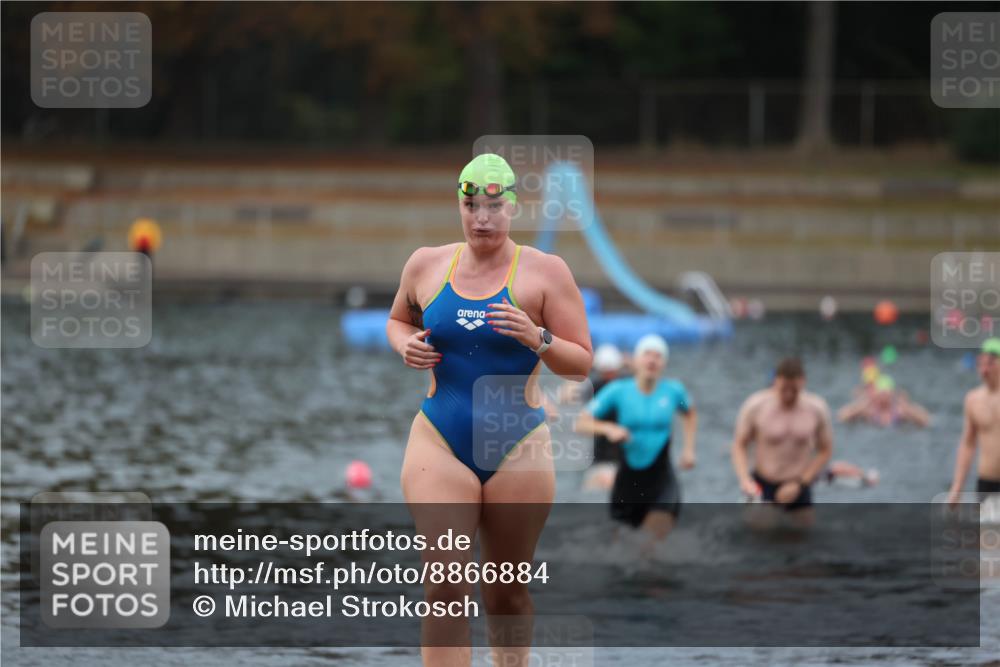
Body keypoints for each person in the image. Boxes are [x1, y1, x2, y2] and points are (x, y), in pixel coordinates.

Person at [386, 153, 592, 667]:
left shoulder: (546, 272)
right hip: (440, 439)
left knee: (504, 595)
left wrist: (538, 337)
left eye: (493, 206)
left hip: (518, 446)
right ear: (459, 204)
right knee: (445, 585)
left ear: (512, 208)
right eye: (470, 204)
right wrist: (404, 344)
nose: (481, 217)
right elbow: (397, 320)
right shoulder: (426, 264)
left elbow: (581, 364)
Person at [575, 334, 697, 547]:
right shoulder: (618, 391)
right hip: (626, 484)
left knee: (650, 544)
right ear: (636, 360)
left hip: (662, 483)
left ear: (664, 363)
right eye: (647, 354)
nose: (652, 360)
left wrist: (689, 449)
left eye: (658, 356)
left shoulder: (673, 391)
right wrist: (608, 428)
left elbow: (690, 413)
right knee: (622, 550)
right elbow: (580, 423)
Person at [731, 357, 833, 526]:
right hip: (764, 483)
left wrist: (800, 484)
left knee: (803, 540)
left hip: (799, 483)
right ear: (775, 381)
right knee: (763, 536)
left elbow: (825, 449)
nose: (788, 395)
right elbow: (739, 445)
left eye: (794, 390)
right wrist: (744, 480)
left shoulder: (816, 408)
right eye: (784, 389)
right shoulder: (756, 405)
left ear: (803, 382)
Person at [947, 338, 1000, 506]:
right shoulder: (973, 399)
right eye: (981, 363)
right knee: (988, 532)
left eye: (991, 363)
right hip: (987, 483)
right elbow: (968, 444)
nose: (985, 369)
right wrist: (957, 486)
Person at [578, 343, 627, 491]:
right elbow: (580, 424)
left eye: (612, 372)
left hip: (625, 457)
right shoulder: (595, 387)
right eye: (606, 373)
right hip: (603, 456)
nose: (609, 377)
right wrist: (608, 429)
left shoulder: (626, 386)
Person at [838, 375, 931, 428]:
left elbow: (925, 421)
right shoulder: (869, 410)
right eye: (881, 393)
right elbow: (842, 417)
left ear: (892, 394)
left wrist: (906, 405)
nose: (883, 397)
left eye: (886, 393)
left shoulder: (900, 410)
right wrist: (864, 402)